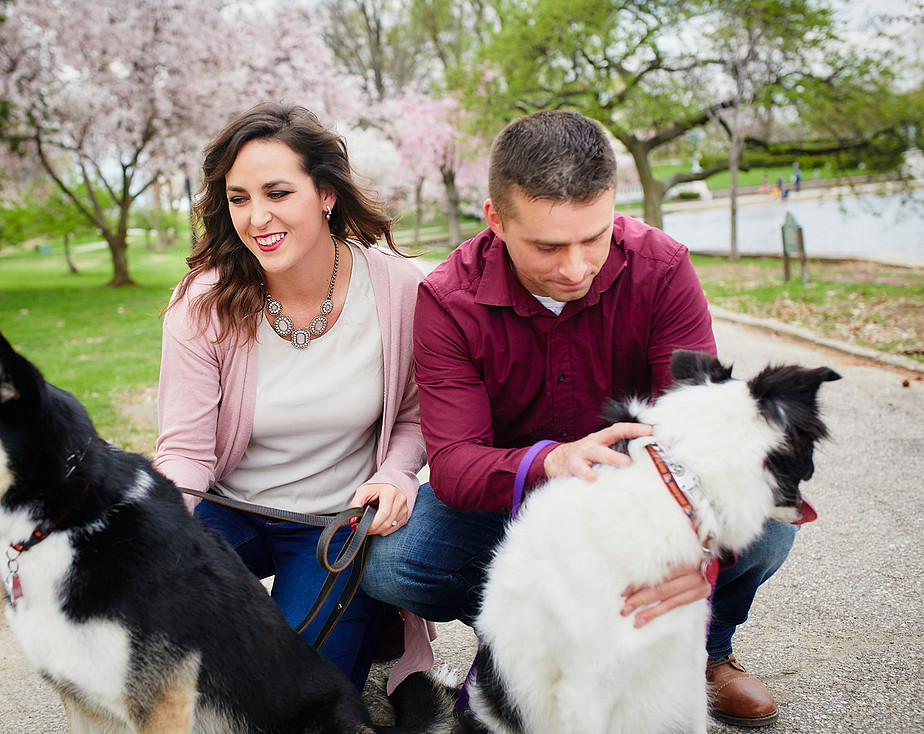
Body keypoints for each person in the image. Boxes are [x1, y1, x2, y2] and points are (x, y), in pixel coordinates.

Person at [363, 110, 804, 727]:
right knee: (393, 562)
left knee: (768, 526)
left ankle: (708, 647)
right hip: (514, 511)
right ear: (495, 219)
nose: (574, 267)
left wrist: (698, 557)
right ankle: (533, 637)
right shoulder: (446, 298)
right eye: (547, 245)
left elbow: (702, 437)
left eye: (593, 237)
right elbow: (459, 465)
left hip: (639, 503)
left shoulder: (664, 267)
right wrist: (554, 459)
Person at [154, 102, 429, 691]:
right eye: (239, 198)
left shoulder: (402, 287)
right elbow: (184, 451)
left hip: (330, 527)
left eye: (277, 193)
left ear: (325, 193)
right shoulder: (204, 301)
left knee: (298, 694)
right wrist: (156, 535)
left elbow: (414, 413)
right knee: (181, 654)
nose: (257, 218)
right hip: (229, 511)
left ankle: (369, 612)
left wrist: (399, 474)